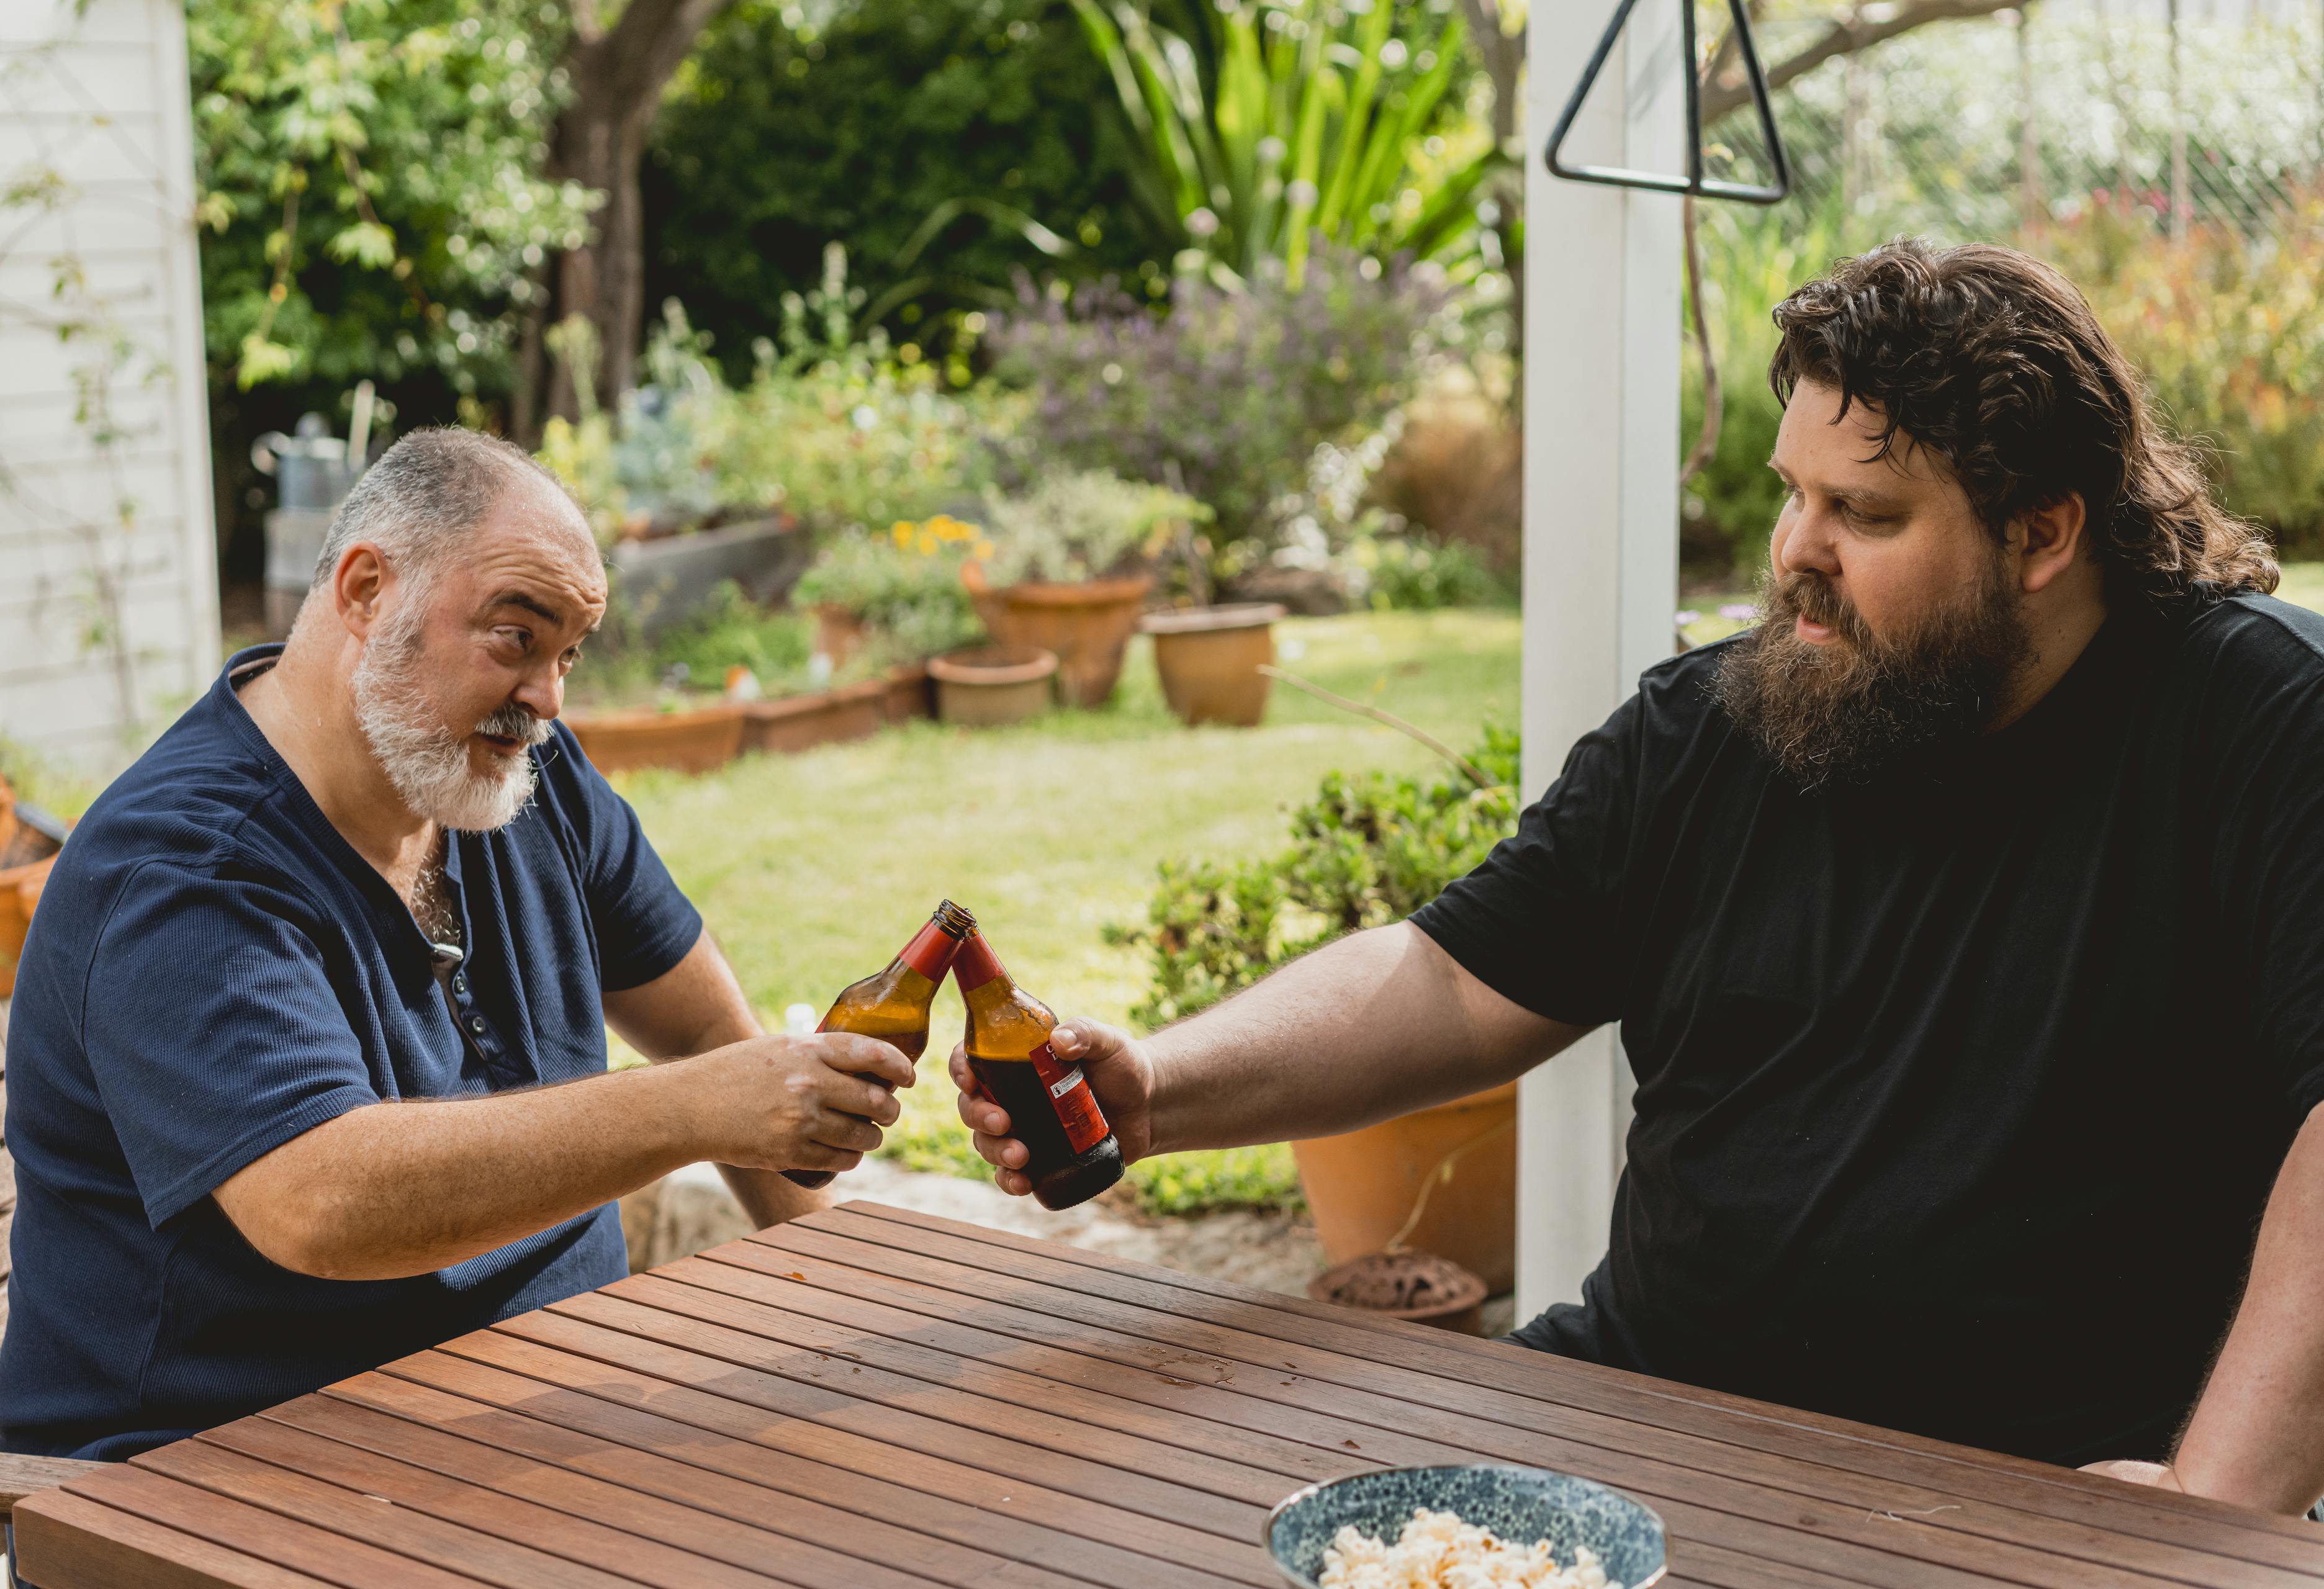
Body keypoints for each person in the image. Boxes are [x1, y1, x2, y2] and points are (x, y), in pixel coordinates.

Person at [957, 239, 2324, 1515]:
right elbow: (1448, 975)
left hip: (2020, 1496)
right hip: (1638, 1422)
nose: (1796, 552)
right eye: (1796, 494)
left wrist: (2208, 1519)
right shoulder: (1733, 718)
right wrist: (1158, 1087)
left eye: (1865, 511)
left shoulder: (2261, 725)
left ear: (2041, 535)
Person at [0, 429, 912, 1462]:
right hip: (215, 1479)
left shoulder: (523, 783)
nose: (550, 698)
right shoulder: (182, 866)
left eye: (569, 652)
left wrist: (843, 1305)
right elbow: (321, 1201)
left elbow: (703, 1023)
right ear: (366, 591)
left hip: (527, 1422)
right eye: (516, 637)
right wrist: (703, 1109)